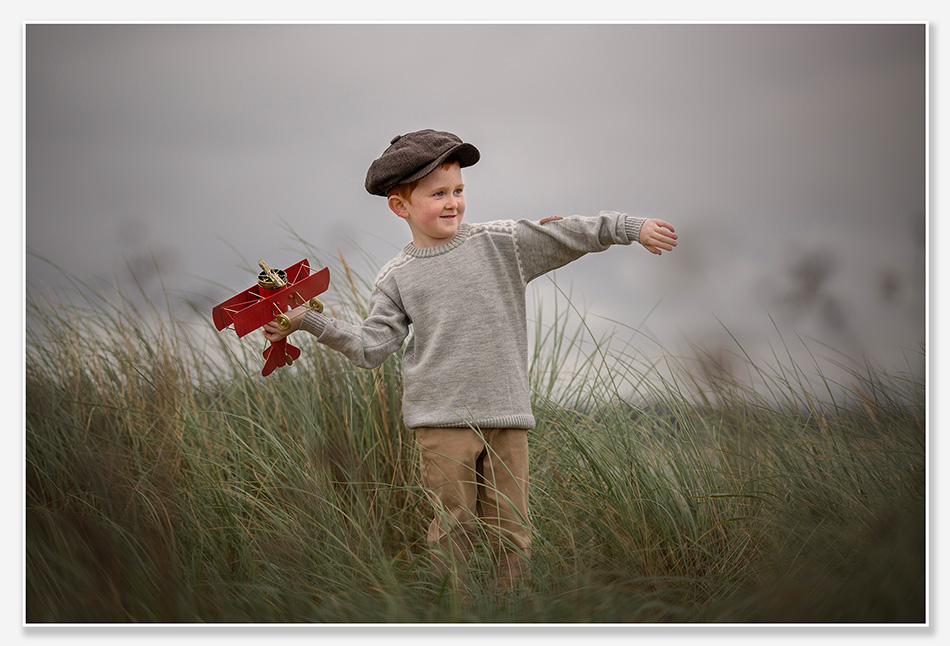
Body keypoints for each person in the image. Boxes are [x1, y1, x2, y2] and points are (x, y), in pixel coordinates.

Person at [263, 129, 678, 591]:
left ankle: (510, 617)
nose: (452, 203)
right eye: (437, 193)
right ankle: (453, 618)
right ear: (400, 206)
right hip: (442, 424)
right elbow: (369, 348)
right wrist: (307, 321)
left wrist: (627, 227)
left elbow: (565, 233)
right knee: (453, 531)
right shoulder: (396, 278)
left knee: (513, 533)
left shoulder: (502, 244)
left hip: (507, 417)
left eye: (458, 191)